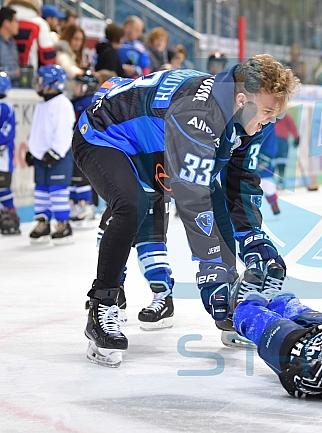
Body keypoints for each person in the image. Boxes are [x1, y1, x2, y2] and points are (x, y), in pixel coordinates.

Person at [73, 54, 299, 367]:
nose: (271, 121)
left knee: (215, 204)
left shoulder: (251, 116)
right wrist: (213, 275)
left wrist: (253, 239)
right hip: (106, 137)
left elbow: (239, 184)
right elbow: (193, 199)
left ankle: (228, 311)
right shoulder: (198, 112)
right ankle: (102, 306)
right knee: (133, 205)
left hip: (156, 146)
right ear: (242, 99)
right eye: (268, 112)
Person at [25, 64, 76, 245]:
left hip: (58, 156)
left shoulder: (63, 104)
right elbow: (38, 131)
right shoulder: (41, 105)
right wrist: (32, 151)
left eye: (40, 80)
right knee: (41, 190)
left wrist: (55, 152)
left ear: (52, 83)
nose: (38, 84)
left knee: (57, 190)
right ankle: (42, 224)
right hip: (41, 156)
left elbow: (64, 131)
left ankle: (63, 224)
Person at [68, 70, 99, 226]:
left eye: (78, 85)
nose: (75, 88)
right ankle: (75, 204)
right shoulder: (73, 102)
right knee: (73, 177)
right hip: (73, 146)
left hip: (85, 146)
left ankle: (86, 205)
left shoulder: (89, 102)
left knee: (83, 176)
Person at [6, 0, 56, 72]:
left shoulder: (3, 20)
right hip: (29, 75)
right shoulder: (40, 24)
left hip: (4, 76)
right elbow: (48, 59)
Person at [0, 71, 20, 235]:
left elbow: (6, 133)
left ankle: (11, 215)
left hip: (3, 160)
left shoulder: (5, 107)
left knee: (3, 188)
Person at [55, 24, 85, 94]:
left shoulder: (72, 55)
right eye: (76, 39)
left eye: (81, 40)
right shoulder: (62, 53)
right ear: (68, 37)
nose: (78, 43)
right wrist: (81, 73)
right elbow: (67, 67)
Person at [272, 111, 299, 188]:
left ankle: (276, 179)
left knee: (277, 160)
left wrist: (296, 137)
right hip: (279, 139)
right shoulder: (284, 115)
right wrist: (296, 137)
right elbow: (292, 125)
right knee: (279, 160)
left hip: (276, 139)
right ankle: (278, 179)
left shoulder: (281, 115)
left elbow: (291, 125)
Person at [0, 7, 21, 87]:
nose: (18, 25)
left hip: (14, 88)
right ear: (6, 23)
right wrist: (14, 74)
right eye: (16, 21)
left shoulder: (12, 42)